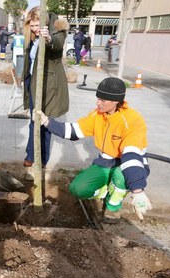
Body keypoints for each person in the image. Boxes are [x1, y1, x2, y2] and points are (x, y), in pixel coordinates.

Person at [37, 77, 152, 221]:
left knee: (121, 177)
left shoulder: (132, 121)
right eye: (98, 98)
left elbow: (131, 157)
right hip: (105, 162)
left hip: (126, 164)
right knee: (77, 189)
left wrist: (138, 191)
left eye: (103, 100)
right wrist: (47, 122)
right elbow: (74, 130)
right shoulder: (98, 115)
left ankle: (112, 207)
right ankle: (107, 190)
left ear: (116, 101)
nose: (98, 103)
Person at [22, 6, 69, 168]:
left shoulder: (57, 28)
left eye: (37, 25)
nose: (34, 29)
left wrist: (48, 38)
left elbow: (57, 43)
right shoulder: (32, 37)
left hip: (48, 84)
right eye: (32, 25)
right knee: (33, 120)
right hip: (32, 83)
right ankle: (30, 154)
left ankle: (42, 158)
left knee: (45, 122)